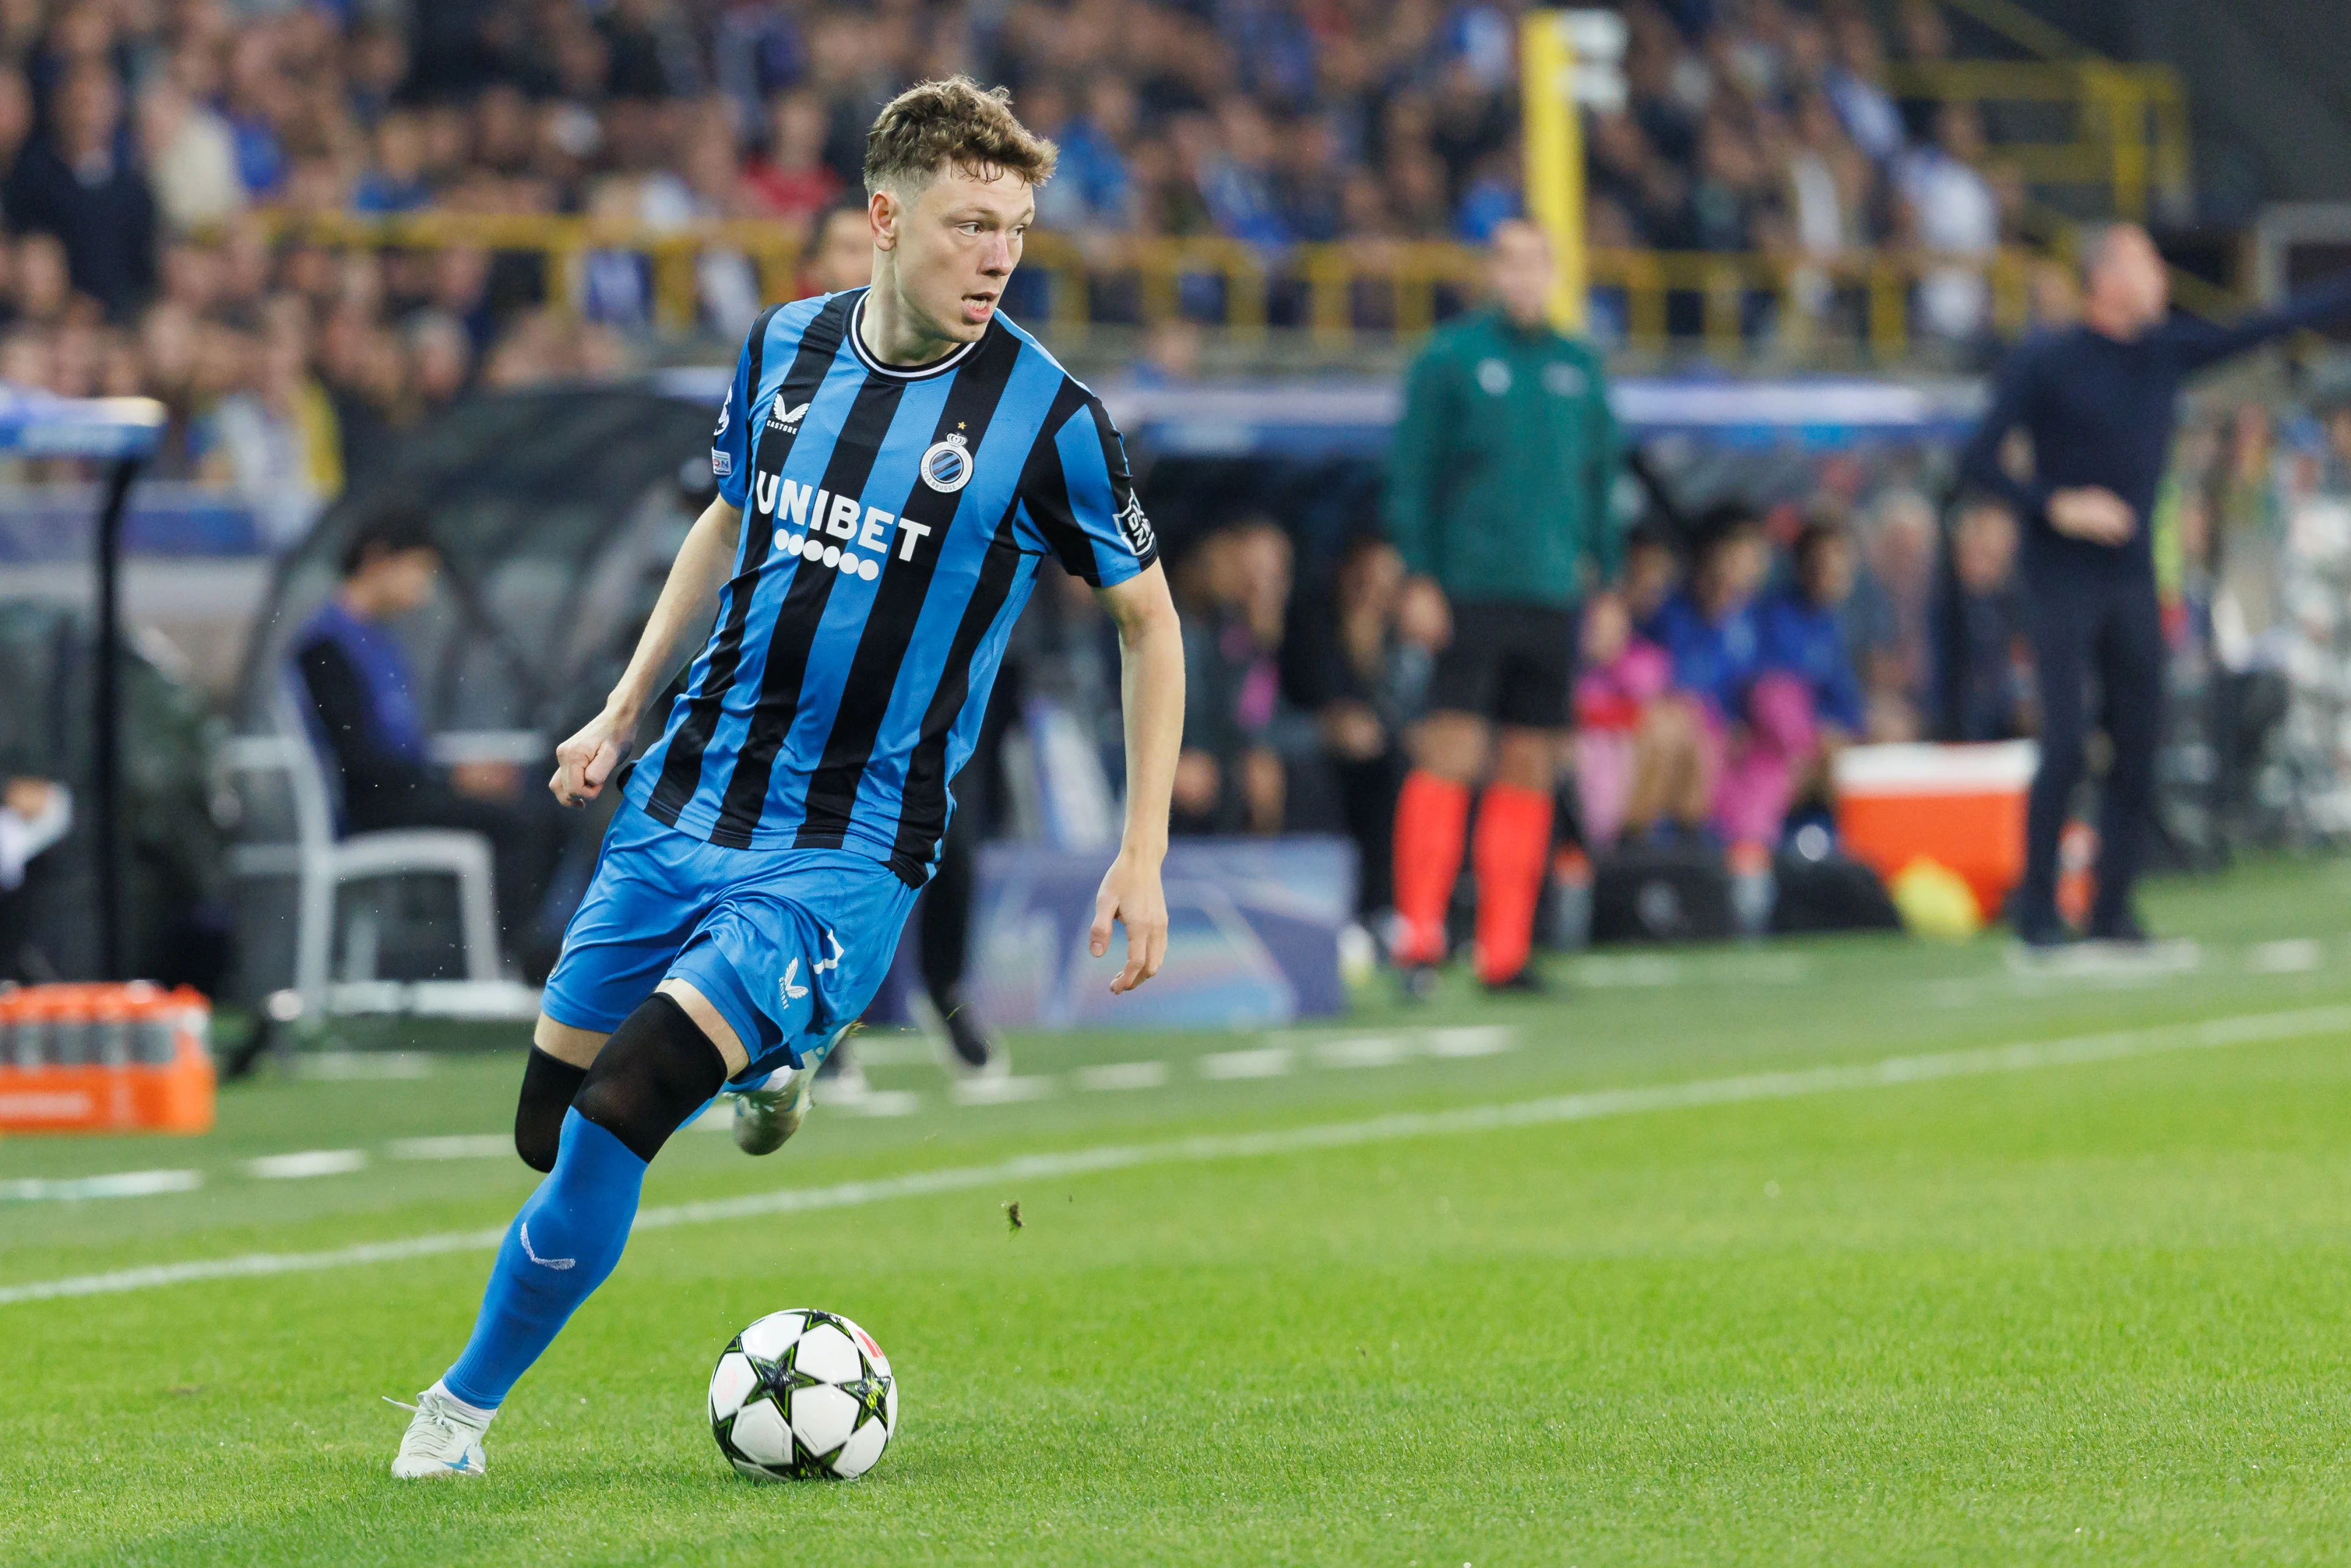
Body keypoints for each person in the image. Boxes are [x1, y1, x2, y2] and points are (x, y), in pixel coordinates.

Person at [388, 78, 1182, 1480]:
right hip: (687, 797)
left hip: (846, 848)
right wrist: (621, 707)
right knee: (541, 1127)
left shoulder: (1049, 419)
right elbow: (724, 518)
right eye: (967, 224)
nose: (998, 256)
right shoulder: (780, 348)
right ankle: (771, 1057)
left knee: (622, 1103)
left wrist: (1141, 850)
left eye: (1016, 229)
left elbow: (1148, 619)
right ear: (883, 219)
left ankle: (453, 1414)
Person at [1957, 223, 2351, 946]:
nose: (2162, 279)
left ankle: (2112, 910)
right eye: (2145, 263)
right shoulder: (2047, 359)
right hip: (2061, 577)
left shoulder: (2163, 354)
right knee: (2068, 741)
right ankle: (2038, 910)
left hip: (2133, 578)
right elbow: (1977, 458)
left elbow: (2266, 325)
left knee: (2139, 743)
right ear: (2103, 278)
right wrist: (2056, 504)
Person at [1385, 219, 1619, 993]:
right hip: (1471, 586)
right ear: (1492, 270)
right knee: (1450, 751)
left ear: (1553, 271)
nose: (1523, 276)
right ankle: (1418, 934)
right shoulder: (1450, 360)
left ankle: (1504, 949)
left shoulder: (1580, 366)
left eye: (1536, 263)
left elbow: (1600, 488)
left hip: (1551, 591)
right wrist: (1419, 575)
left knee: (1530, 764)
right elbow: (1412, 476)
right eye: (1509, 262)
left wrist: (1608, 583)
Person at [291, 507, 568, 972]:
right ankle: (507, 960)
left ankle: (525, 951)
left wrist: (453, 775)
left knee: (546, 805)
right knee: (522, 823)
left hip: (403, 790)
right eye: (420, 569)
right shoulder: (326, 647)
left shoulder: (376, 641)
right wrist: (454, 779)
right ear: (379, 560)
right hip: (375, 806)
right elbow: (360, 760)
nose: (425, 588)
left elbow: (400, 747)